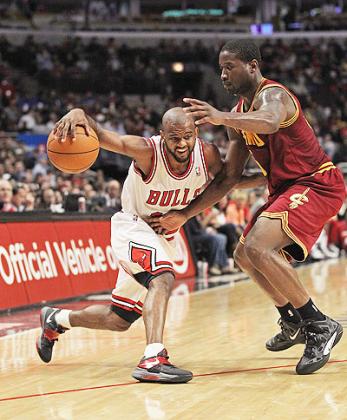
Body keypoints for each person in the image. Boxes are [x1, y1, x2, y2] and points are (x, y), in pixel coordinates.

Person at [148, 40, 346, 375]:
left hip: (317, 184)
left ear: (252, 66)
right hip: (285, 188)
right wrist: (184, 213)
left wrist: (218, 114)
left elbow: (269, 121)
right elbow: (229, 179)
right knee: (244, 255)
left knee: (259, 246)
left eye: (230, 67)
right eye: (220, 68)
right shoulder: (237, 116)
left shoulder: (275, 96)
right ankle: (292, 318)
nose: (223, 74)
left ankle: (319, 324)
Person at [36, 106, 263, 384]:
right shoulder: (147, 151)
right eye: (174, 138)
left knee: (118, 318)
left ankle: (57, 320)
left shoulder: (208, 155)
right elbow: (107, 137)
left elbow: (230, 182)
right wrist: (79, 113)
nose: (182, 144)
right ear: (161, 136)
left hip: (163, 235)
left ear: (197, 133)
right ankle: (153, 358)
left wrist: (271, 177)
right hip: (132, 226)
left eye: (188, 137)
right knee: (163, 277)